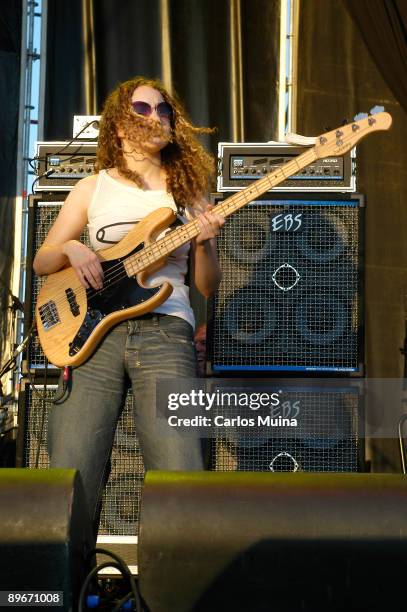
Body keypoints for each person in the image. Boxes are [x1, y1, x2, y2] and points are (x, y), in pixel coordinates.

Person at [33, 76, 225, 533]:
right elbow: (43, 260)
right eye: (143, 109)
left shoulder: (189, 196)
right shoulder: (92, 188)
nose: (156, 117)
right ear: (118, 125)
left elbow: (207, 286)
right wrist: (74, 250)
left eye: (164, 111)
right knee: (71, 475)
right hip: (92, 337)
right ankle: (62, 594)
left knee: (179, 470)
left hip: (165, 330)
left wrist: (205, 243)